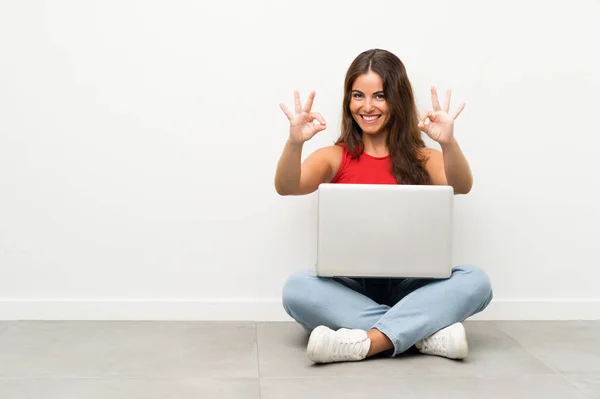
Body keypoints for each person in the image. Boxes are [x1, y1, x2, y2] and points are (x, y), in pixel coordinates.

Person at [274, 48, 493, 364]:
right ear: (348, 101)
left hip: (414, 285)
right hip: (351, 287)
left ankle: (367, 341)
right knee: (297, 289)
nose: (367, 106)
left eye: (379, 96)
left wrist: (447, 143)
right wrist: (295, 142)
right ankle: (423, 334)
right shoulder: (335, 157)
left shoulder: (424, 158)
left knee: (477, 281)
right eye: (358, 95)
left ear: (397, 100)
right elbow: (286, 186)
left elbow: (462, 185)